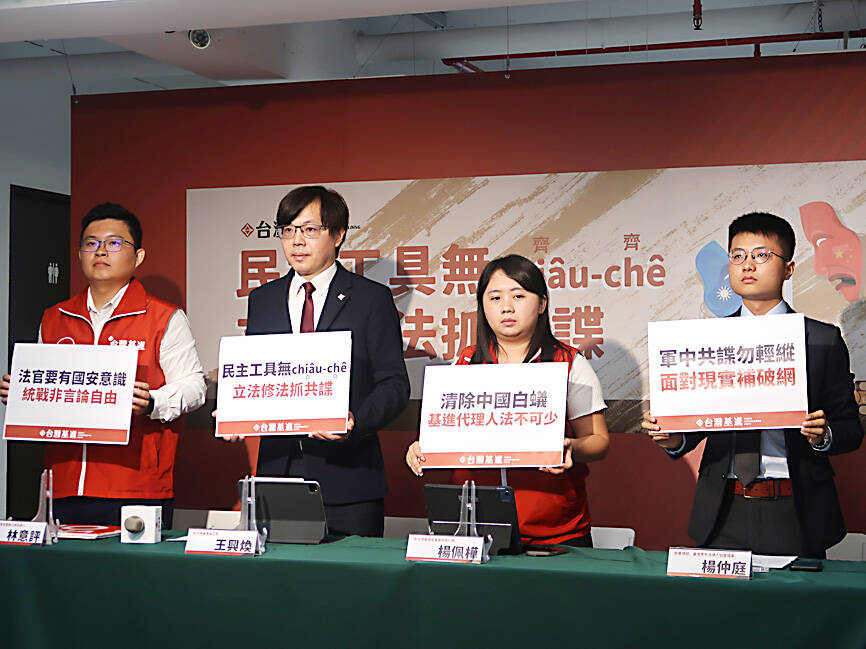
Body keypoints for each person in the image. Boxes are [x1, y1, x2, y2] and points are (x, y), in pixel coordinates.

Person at [644, 212, 863, 558]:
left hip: (795, 508)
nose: (748, 265)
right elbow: (698, 424)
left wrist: (823, 435)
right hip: (722, 509)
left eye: (762, 255)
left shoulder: (821, 340)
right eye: (738, 255)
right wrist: (675, 439)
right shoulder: (706, 341)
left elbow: (850, 427)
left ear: (788, 269)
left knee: (797, 595)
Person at [1, 203, 206, 527]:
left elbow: (194, 387)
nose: (100, 251)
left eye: (114, 243)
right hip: (63, 480)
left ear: (138, 256)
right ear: (79, 253)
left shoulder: (163, 317)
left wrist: (152, 401)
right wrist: (22, 393)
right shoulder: (55, 318)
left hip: (136, 482)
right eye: (91, 243)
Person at [406, 254, 609, 547]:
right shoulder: (465, 363)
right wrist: (422, 448)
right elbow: (445, 434)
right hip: (476, 528)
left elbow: (599, 441)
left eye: (518, 295)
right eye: (495, 297)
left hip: (555, 534)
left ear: (542, 303)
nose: (506, 307)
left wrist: (571, 448)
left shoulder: (568, 362)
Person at [241, 185, 409, 537]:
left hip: (349, 478)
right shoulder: (263, 300)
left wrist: (355, 421)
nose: (296, 241)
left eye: (309, 229)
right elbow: (256, 376)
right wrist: (237, 411)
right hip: (278, 474)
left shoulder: (371, 299)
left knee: (351, 572)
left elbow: (394, 384)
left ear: (338, 234)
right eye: (288, 230)